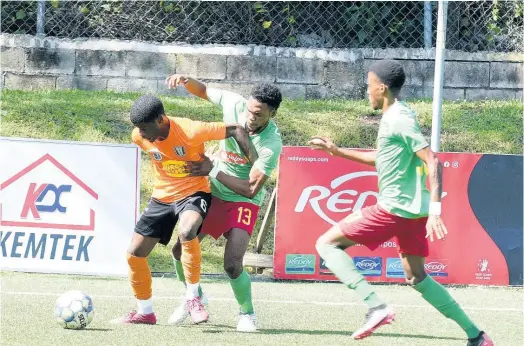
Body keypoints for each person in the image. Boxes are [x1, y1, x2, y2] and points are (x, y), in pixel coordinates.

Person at [308, 60, 493, 346]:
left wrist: (436, 211)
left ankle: (376, 306)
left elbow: (432, 160)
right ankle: (476, 336)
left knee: (326, 244)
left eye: (369, 86)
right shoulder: (400, 114)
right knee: (417, 277)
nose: (366, 92)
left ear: (381, 88)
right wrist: (337, 151)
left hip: (393, 209)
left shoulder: (398, 118)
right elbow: (380, 157)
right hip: (411, 213)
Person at [111, 94, 257, 325]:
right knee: (134, 254)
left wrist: (255, 167)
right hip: (162, 196)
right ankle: (145, 312)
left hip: (194, 191)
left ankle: (193, 297)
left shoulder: (190, 130)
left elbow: (236, 129)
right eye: (138, 128)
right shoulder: (139, 136)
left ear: (161, 119)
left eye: (145, 128)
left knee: (187, 231)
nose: (141, 133)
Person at [165, 75, 283, 332]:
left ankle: (247, 313)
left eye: (259, 114)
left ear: (272, 113)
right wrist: (187, 81)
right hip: (213, 193)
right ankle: (194, 296)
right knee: (178, 250)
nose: (251, 117)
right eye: (250, 110)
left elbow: (251, 189)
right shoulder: (234, 103)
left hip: (242, 200)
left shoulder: (272, 144)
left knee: (231, 264)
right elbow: (205, 90)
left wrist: (214, 169)